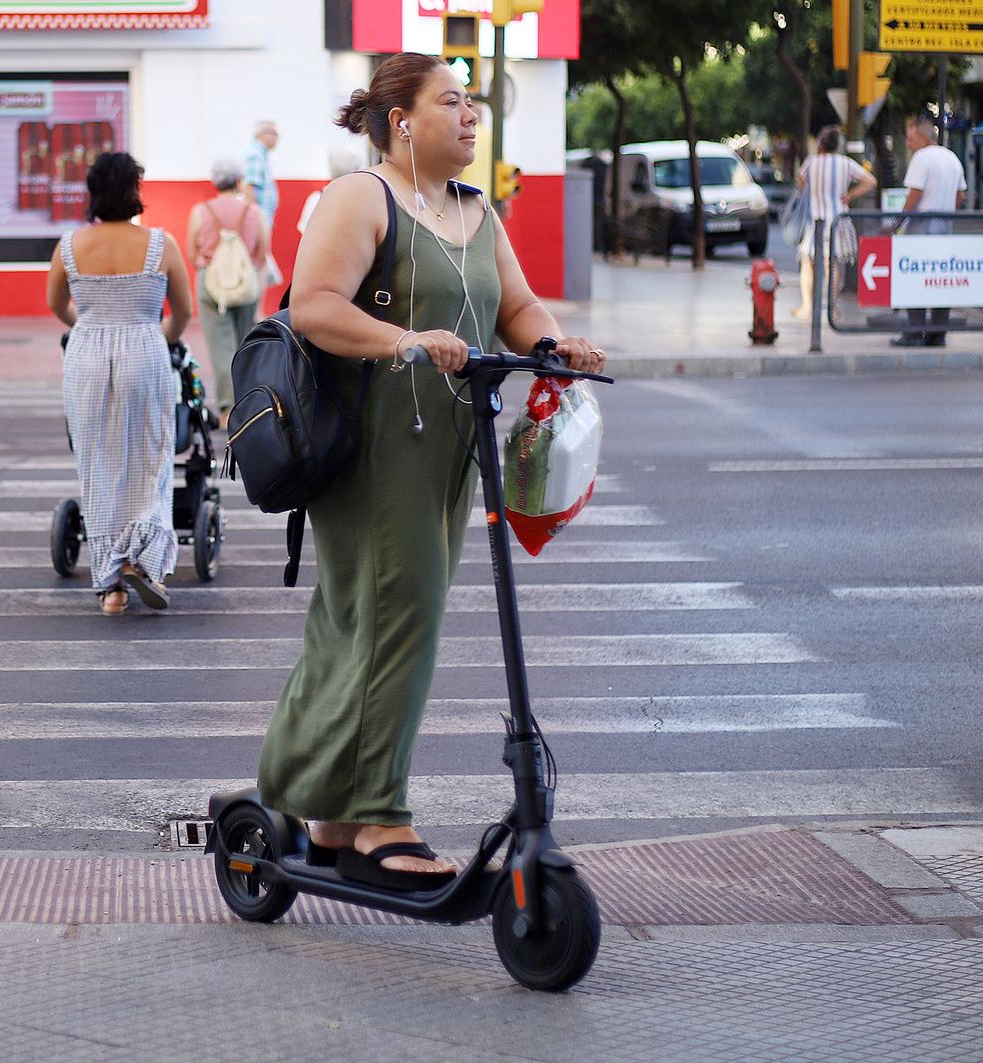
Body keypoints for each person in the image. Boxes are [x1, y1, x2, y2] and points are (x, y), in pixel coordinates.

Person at [255, 53, 605, 890]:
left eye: (473, 100)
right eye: (451, 101)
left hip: (451, 446)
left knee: (385, 620)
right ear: (402, 120)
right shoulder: (361, 197)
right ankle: (379, 815)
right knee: (392, 618)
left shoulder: (477, 212)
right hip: (378, 449)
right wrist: (407, 339)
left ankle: (330, 807)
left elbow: (516, 307)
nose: (470, 114)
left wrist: (555, 346)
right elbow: (314, 305)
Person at [46, 152, 193, 614]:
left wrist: (87, 327)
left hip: (87, 358)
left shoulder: (69, 247)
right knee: (151, 459)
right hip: (146, 353)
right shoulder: (160, 244)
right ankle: (145, 564)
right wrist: (155, 338)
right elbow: (183, 312)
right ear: (134, 192)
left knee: (98, 464)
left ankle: (110, 587)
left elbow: (56, 304)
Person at [186, 159, 267, 420]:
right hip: (245, 282)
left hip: (211, 282)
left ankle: (226, 410)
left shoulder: (201, 211)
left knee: (220, 347)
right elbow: (262, 251)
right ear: (238, 180)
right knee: (246, 343)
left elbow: (191, 251)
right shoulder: (254, 212)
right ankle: (249, 405)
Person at [892, 114, 966, 347]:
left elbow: (915, 193)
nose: (908, 143)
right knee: (940, 281)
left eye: (911, 138)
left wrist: (898, 222)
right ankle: (938, 332)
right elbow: (961, 195)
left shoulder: (921, 158)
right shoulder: (952, 158)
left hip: (921, 230)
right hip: (945, 230)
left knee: (916, 280)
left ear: (923, 137)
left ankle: (914, 332)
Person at [791, 125, 876, 321]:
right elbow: (871, 181)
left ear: (820, 143)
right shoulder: (845, 163)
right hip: (838, 220)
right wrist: (850, 195)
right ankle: (832, 307)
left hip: (814, 220)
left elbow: (801, 183)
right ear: (838, 144)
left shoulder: (811, 163)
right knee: (833, 265)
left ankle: (807, 306)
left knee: (807, 261)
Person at [242, 120, 280, 226]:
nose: (277, 138)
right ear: (261, 134)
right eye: (274, 133)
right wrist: (256, 220)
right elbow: (248, 187)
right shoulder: (256, 155)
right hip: (258, 220)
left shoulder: (260, 154)